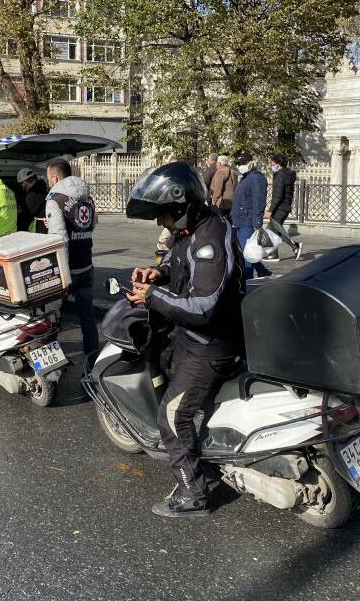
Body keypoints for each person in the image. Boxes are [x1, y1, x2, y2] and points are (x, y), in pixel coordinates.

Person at [125, 162, 245, 518]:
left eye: (164, 215)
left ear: (183, 206)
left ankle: (193, 493)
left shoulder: (210, 239)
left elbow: (204, 305)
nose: (161, 222)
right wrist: (157, 274)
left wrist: (151, 296)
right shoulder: (190, 232)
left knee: (172, 416)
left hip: (210, 344)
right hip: (189, 339)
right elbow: (181, 270)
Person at [44, 158, 98, 357]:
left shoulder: (55, 199)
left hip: (67, 271)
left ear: (55, 177)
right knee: (88, 319)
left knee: (51, 319)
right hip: (86, 265)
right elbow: (91, 225)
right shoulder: (87, 198)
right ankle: (92, 364)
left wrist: (62, 275)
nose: (49, 183)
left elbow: (60, 240)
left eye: (49, 179)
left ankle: (52, 370)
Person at [230, 153, 271, 278]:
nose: (240, 166)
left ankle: (247, 279)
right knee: (245, 250)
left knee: (246, 253)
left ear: (251, 162)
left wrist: (258, 223)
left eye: (243, 163)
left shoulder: (256, 178)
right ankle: (262, 270)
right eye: (238, 164)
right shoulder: (245, 177)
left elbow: (259, 201)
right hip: (238, 219)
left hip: (247, 221)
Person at [264, 154, 302, 260]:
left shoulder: (280, 175)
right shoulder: (286, 174)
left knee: (272, 230)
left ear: (278, 163)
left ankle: (294, 246)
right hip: (284, 206)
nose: (271, 165)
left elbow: (278, 195)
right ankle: (275, 253)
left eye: (272, 163)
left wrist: (270, 210)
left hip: (280, 207)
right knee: (275, 230)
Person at [17, 168, 49, 233]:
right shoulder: (46, 189)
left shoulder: (32, 195)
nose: (22, 187)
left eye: (21, 184)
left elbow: (26, 217)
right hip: (48, 227)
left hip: (40, 229)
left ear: (25, 182)